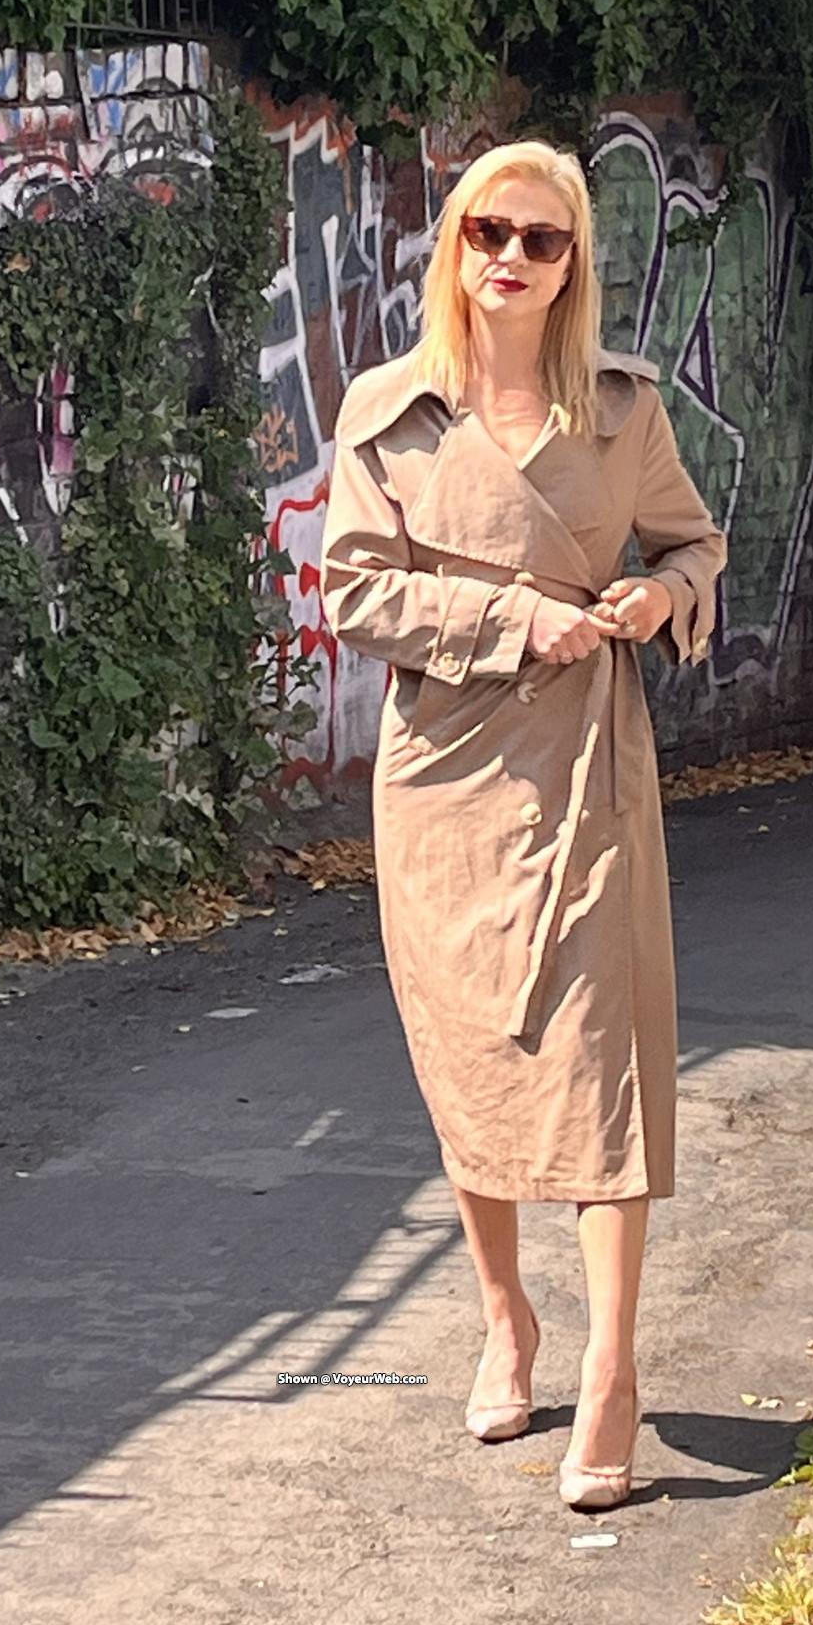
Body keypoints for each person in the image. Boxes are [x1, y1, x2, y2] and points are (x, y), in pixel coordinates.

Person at [319, 140, 726, 1511]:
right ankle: (506, 1317)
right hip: (445, 780)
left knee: (607, 1059)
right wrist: (513, 619)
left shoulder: (622, 411)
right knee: (471, 1055)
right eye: (490, 230)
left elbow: (692, 542)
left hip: (590, 772)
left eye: (542, 240)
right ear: (457, 244)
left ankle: (612, 1368)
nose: (511, 256)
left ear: (572, 265)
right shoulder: (389, 412)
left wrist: (659, 597)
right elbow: (357, 591)